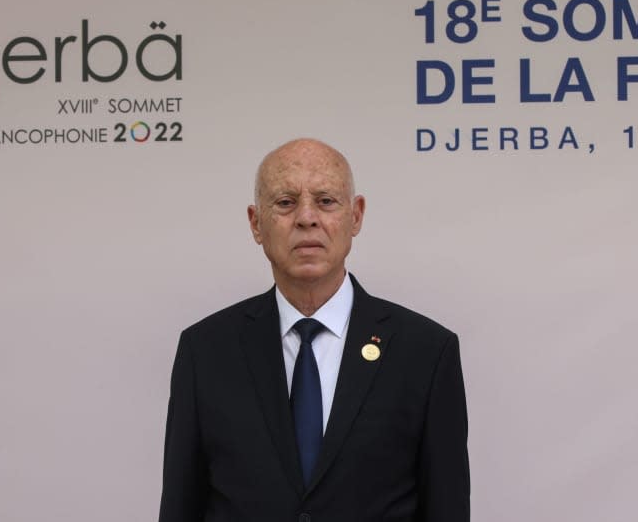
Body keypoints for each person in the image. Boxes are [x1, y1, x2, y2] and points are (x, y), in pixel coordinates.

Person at [158, 138, 469, 521]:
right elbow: (180, 506)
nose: (307, 218)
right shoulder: (204, 352)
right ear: (256, 223)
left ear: (355, 216)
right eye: (286, 203)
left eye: (325, 201)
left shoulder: (426, 353)